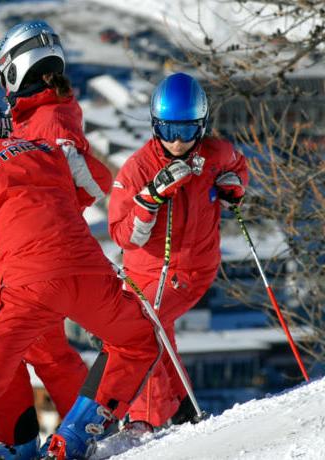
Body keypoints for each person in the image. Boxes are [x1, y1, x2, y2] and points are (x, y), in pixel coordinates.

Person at [0, 98, 160, 460]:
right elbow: (97, 181)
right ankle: (76, 435)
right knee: (138, 341)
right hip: (88, 273)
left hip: (26, 284)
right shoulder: (47, 149)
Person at [0, 20, 112, 458]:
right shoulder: (45, 110)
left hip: (31, 260)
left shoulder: (49, 125)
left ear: (17, 75)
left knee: (6, 354)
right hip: (26, 254)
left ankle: (35, 443)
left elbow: (86, 183)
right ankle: (40, 439)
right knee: (35, 352)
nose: (3, 86)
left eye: (6, 76)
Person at [108, 72, 248, 432]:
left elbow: (237, 165)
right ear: (156, 126)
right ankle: (182, 408)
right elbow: (125, 237)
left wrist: (233, 185)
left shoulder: (215, 153)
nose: (178, 142)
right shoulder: (138, 169)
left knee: (142, 327)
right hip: (144, 273)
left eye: (187, 131)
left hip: (191, 270)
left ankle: (147, 420)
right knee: (153, 329)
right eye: (169, 131)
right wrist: (149, 200)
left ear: (201, 127)